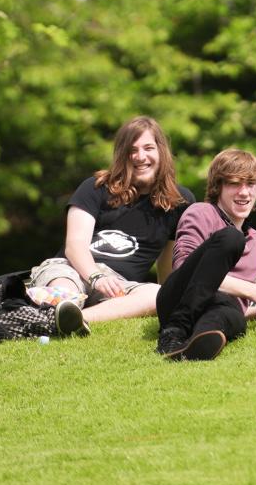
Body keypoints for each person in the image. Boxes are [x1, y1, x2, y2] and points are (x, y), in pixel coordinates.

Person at [26, 116, 195, 335]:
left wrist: (171, 298)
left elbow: (168, 266)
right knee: (65, 287)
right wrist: (96, 277)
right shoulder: (95, 187)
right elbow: (75, 245)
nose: (140, 157)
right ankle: (63, 309)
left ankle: (74, 319)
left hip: (119, 286)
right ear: (122, 155)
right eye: (132, 150)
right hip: (72, 268)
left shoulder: (180, 201)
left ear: (162, 152)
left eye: (148, 148)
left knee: (157, 294)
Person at [155, 149, 256, 361]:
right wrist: (252, 291)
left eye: (251, 184)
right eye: (234, 183)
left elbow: (231, 298)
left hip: (220, 307)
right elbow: (184, 271)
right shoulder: (200, 212)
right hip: (177, 299)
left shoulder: (255, 239)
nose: (244, 192)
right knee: (230, 238)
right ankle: (174, 333)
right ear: (218, 187)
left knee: (230, 314)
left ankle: (198, 343)